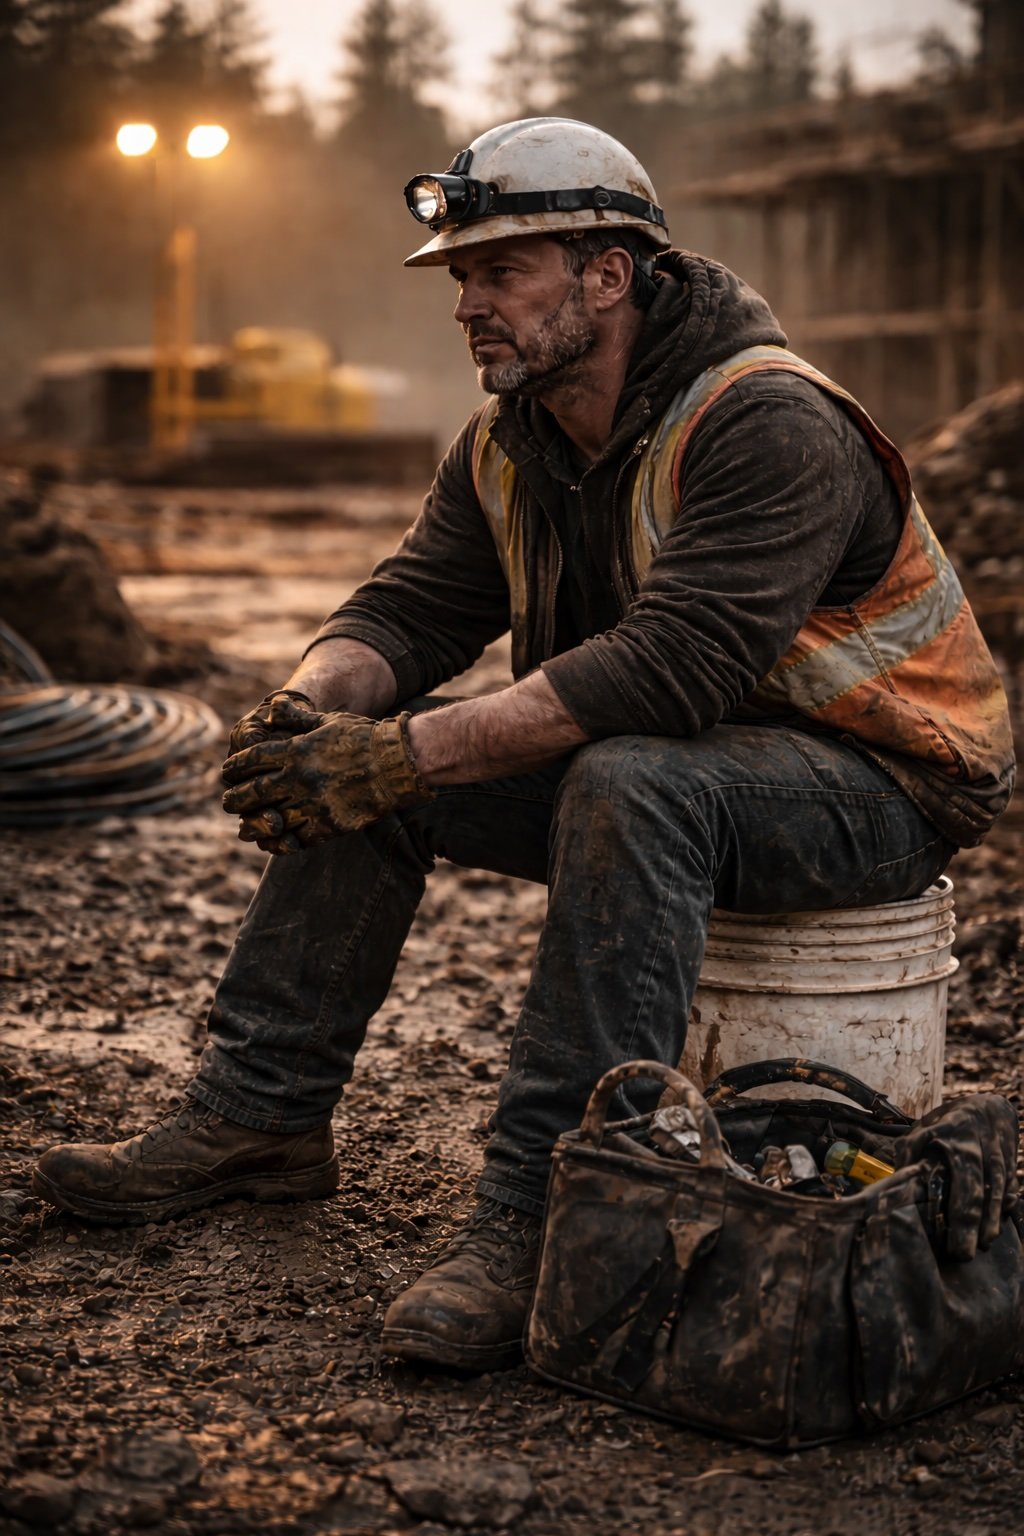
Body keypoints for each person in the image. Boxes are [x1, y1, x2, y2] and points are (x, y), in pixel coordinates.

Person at [33, 118, 1015, 1371]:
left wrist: (410, 752)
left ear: (608, 273)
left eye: (500, 273)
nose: (467, 308)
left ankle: (542, 1213)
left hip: (880, 784)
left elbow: (675, 667)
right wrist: (314, 709)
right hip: (697, 764)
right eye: (458, 279)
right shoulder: (514, 438)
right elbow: (410, 609)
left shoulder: (768, 421)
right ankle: (257, 1119)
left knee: (619, 777)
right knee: (385, 766)